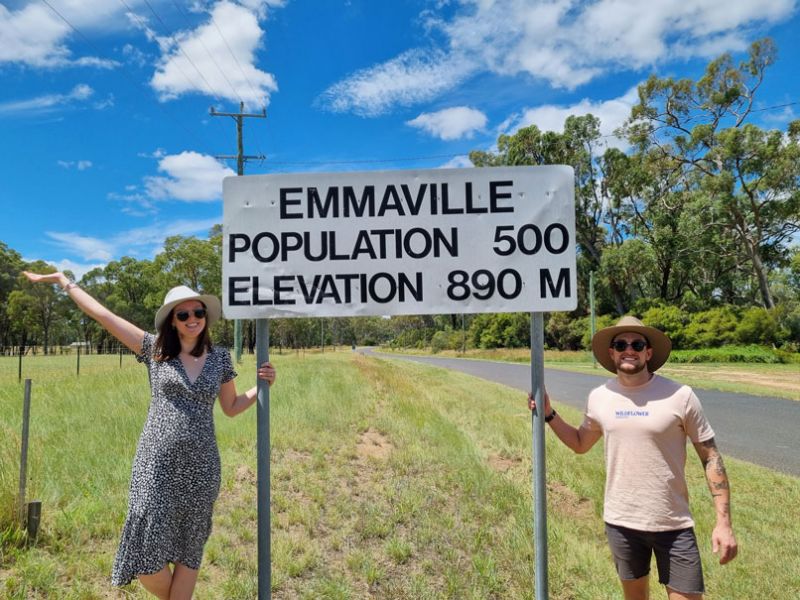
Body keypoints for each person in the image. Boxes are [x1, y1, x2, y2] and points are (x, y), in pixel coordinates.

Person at [23, 271, 276, 600]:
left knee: (190, 550)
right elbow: (104, 315)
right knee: (146, 560)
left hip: (202, 469)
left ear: (205, 317)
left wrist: (261, 387)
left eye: (198, 312)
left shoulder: (220, 358)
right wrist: (64, 282)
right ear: (172, 320)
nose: (192, 319)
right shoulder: (154, 350)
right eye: (183, 314)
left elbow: (230, 406)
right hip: (155, 467)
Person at [529, 316, 737, 600]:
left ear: (648, 353)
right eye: (621, 344)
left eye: (637, 344)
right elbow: (580, 443)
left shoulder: (681, 395)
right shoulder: (600, 396)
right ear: (612, 352)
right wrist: (550, 415)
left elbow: (710, 457)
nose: (629, 349)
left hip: (673, 524)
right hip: (621, 522)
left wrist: (723, 523)